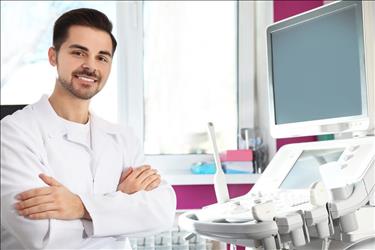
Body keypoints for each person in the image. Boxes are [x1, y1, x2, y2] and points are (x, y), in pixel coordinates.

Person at [1, 8, 176, 249]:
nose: (90, 66)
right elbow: (40, 236)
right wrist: (120, 206)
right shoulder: (13, 133)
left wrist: (78, 206)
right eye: (78, 52)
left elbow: (162, 212)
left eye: (102, 57)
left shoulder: (122, 138)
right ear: (53, 56)